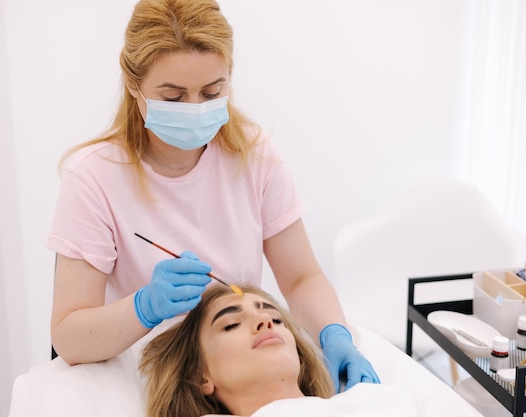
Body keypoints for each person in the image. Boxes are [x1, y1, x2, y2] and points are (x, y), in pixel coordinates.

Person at [47, 0, 379, 391]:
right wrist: (144, 307)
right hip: (162, 374)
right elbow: (67, 336)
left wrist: (335, 336)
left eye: (211, 91)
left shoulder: (252, 154)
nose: (194, 109)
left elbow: (301, 277)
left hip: (243, 367)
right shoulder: (94, 177)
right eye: (173, 97)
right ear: (134, 83)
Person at [139, 284, 335, 417]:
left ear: (300, 358)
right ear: (200, 376)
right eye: (232, 325)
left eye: (276, 319)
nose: (265, 320)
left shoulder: (360, 400)